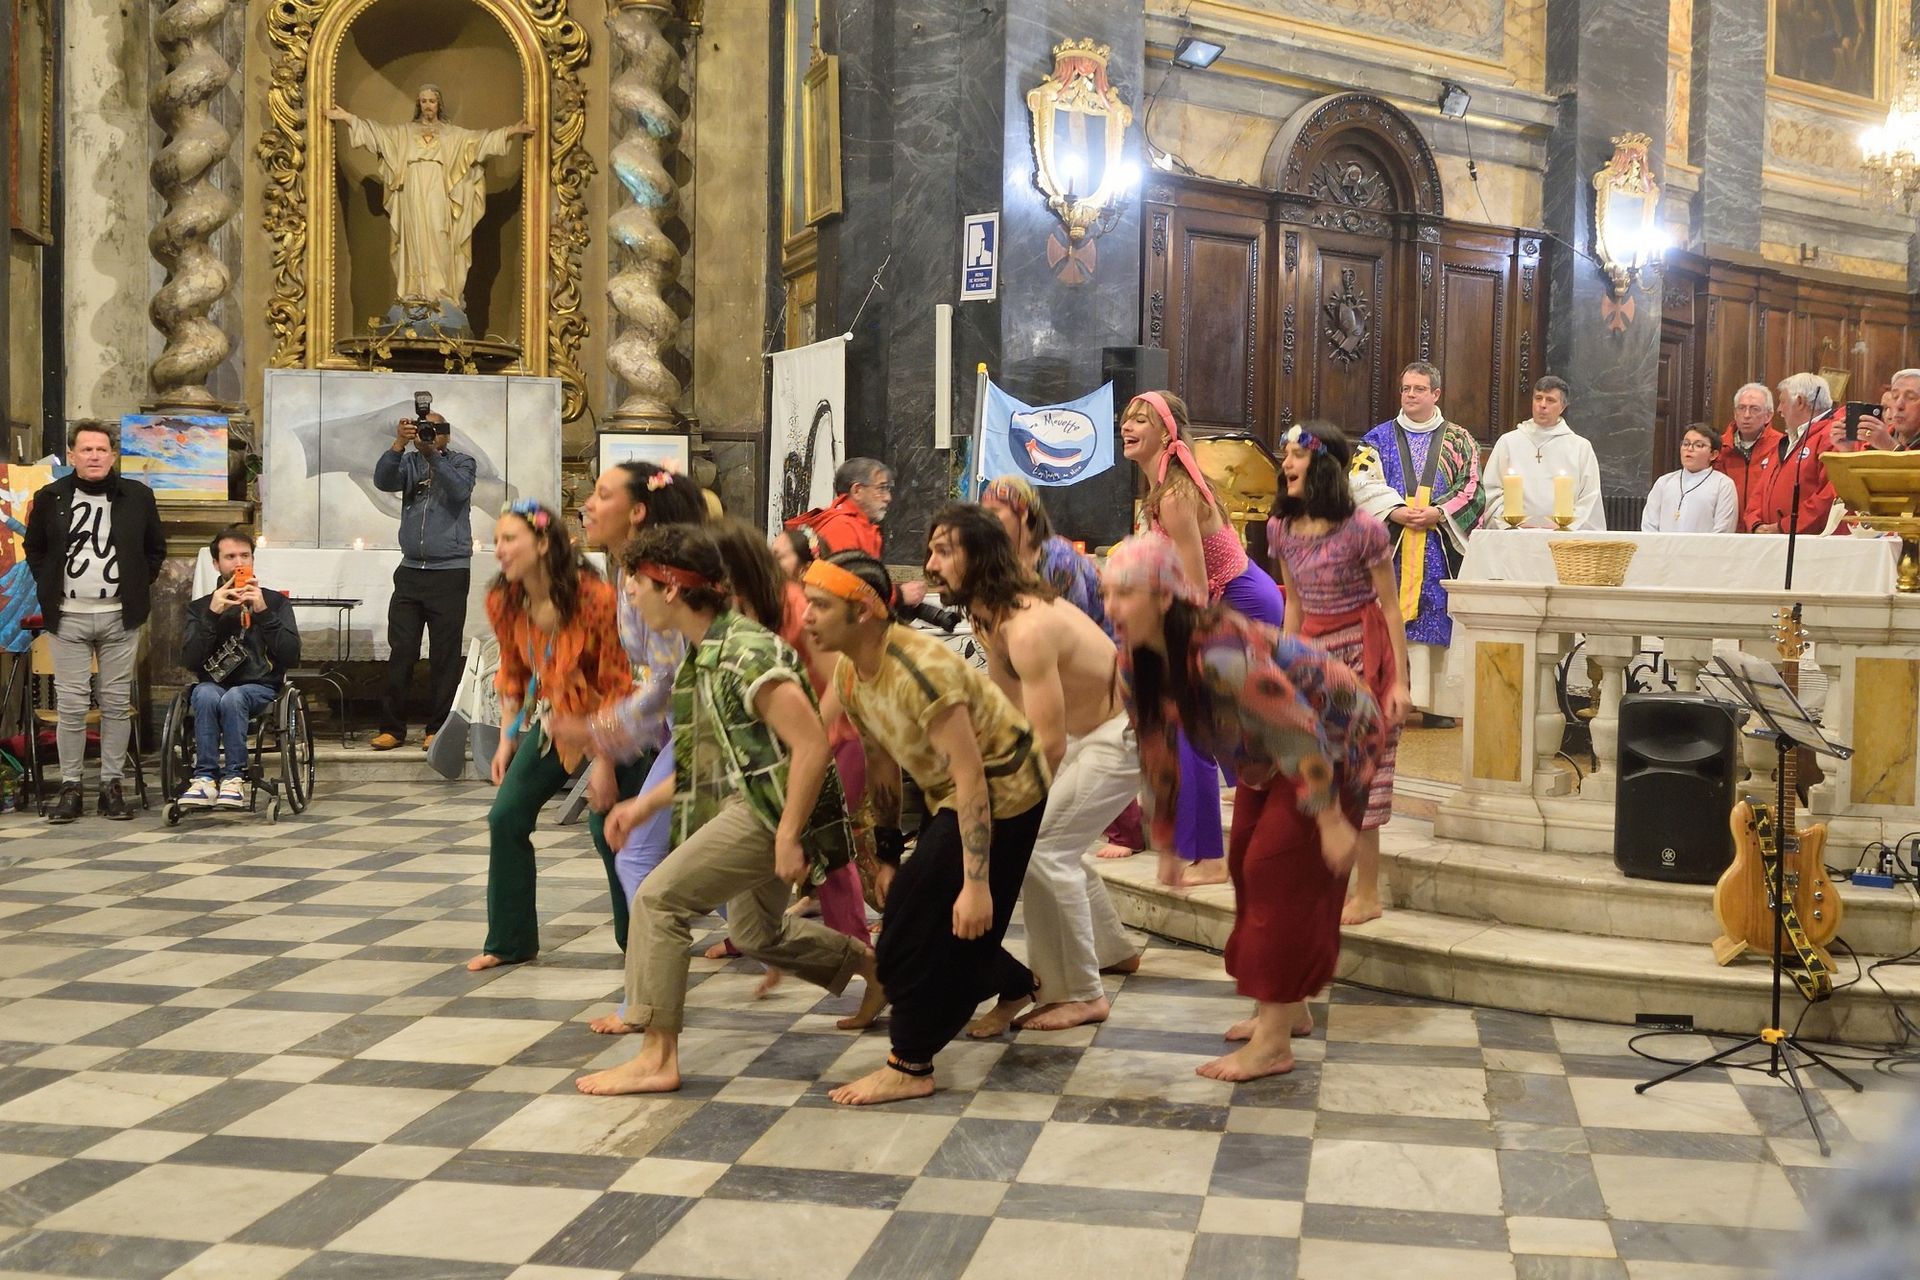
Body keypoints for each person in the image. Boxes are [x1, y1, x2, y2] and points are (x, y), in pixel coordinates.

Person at [575, 526, 879, 1096]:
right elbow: (708, 761)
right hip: (760, 803)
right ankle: (873, 968)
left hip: (772, 810)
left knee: (658, 899)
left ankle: (657, 1056)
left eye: (637, 582)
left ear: (671, 588)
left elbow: (812, 745)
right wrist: (642, 806)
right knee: (756, 933)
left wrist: (788, 835)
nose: (630, 594)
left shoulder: (743, 652)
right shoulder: (707, 653)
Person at [1102, 533, 1382, 1081]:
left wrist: (1328, 818)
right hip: (1273, 750)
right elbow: (1156, 747)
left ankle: (1273, 1044)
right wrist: (1165, 842)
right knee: (1246, 861)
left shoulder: (1220, 653)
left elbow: (1297, 730)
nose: (1111, 607)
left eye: (1125, 593)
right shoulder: (1135, 660)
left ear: (1165, 598)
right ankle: (1288, 1010)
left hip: (1336, 737)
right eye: (1107, 592)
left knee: (1275, 869)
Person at [803, 551, 1051, 1105]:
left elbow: (973, 778)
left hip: (1006, 792)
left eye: (819, 605)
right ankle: (1018, 985)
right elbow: (881, 764)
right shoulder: (851, 672)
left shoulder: (921, 671)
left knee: (920, 932)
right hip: (955, 795)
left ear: (863, 611)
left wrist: (977, 884)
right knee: (921, 918)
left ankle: (911, 1063)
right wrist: (888, 853)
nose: (806, 617)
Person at [922, 505, 1139, 1037]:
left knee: (1045, 847)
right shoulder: (991, 615)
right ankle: (1113, 950)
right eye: (931, 550)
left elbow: (1048, 741)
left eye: (944, 552)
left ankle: (1081, 993)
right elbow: (1006, 711)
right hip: (1091, 732)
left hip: (1123, 732)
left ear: (978, 558)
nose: (929, 566)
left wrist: (1011, 809)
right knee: (1056, 841)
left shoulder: (1026, 627)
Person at [1121, 390, 1284, 886]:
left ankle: (1210, 857)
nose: (1128, 426)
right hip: (1220, 600)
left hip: (1240, 601)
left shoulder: (1174, 496)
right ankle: (1252, 792)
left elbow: (1195, 586)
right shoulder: (1160, 490)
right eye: (1127, 418)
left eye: (1141, 420)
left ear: (1166, 432)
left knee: (1192, 724)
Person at [693, 519, 871, 968]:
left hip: (834, 741)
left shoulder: (796, 605)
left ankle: (859, 952)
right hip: (781, 751)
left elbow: (840, 680)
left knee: (828, 848)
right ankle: (751, 934)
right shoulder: (736, 613)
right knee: (759, 837)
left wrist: (810, 737)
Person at [545, 462, 705, 953]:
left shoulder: (655, 577)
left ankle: (653, 980)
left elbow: (670, 680)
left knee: (638, 856)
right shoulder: (627, 571)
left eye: (602, 494)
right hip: (682, 726)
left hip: (702, 726)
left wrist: (601, 731)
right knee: (717, 874)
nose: (586, 506)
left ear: (637, 512)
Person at [470, 499, 632, 972]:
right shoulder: (504, 599)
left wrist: (604, 764)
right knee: (506, 816)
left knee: (609, 826)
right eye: (497, 540)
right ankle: (511, 941)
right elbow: (513, 672)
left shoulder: (594, 597)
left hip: (612, 722)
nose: (499, 550)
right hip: (554, 722)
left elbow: (617, 684)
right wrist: (507, 737)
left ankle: (641, 942)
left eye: (510, 539)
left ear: (542, 544)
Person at [1268, 422, 1409, 929]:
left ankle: (1367, 894)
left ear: (1323, 464)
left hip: (1363, 658)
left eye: (1296, 455)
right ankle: (1320, 884)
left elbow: (1390, 608)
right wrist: (1284, 666)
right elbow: (1294, 604)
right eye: (1285, 454)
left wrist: (1400, 683)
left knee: (1365, 777)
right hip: (1313, 657)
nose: (1286, 463)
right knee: (1315, 772)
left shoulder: (1363, 529)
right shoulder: (1280, 528)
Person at [23, 421, 166, 824]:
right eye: (86, 449)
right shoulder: (50, 497)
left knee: (116, 704)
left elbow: (155, 549)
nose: (94, 456)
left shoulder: (138, 496)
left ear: (113, 455)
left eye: (102, 450)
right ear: (72, 455)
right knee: (71, 705)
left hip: (120, 615)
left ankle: (111, 786)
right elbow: (35, 548)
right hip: (68, 615)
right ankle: (71, 786)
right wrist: (49, 583)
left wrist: (136, 583)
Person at [1350, 361, 1484, 727]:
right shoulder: (1377, 438)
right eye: (1406, 389)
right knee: (1387, 615)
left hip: (1438, 545)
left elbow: (1472, 486)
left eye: (1419, 389)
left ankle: (1436, 704)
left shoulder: (1459, 440)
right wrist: (1393, 511)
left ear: (1436, 394)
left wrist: (1439, 513)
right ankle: (1388, 694)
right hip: (1391, 545)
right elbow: (1359, 482)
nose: (1410, 395)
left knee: (1436, 615)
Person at [327, 87, 534, 317]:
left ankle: (440, 295)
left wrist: (513, 131)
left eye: (432, 101)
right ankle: (413, 293)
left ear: (439, 104)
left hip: (438, 189)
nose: (427, 105)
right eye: (424, 101)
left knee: (439, 234)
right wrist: (347, 118)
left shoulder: (452, 134)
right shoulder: (404, 132)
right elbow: (376, 134)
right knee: (414, 238)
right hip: (412, 190)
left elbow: (480, 142)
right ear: (419, 104)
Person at [370, 409, 478, 751]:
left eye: (432, 428)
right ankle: (392, 728)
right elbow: (383, 481)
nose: (426, 433)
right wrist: (398, 445)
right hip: (410, 571)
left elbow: (459, 490)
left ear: (446, 432)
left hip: (450, 572)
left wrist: (432, 455)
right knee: (402, 650)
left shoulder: (462, 462)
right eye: (422, 428)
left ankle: (438, 729)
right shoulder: (409, 462)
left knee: (445, 654)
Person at [178, 527, 302, 809]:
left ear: (253, 561)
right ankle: (205, 779)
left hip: (260, 685)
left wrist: (263, 613)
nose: (238, 563)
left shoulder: (275, 602)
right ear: (216, 564)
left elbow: (292, 655)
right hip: (214, 684)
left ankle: (234, 777)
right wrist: (212, 615)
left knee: (235, 697)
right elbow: (190, 661)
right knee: (204, 694)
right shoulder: (201, 607)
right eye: (230, 557)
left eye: (245, 556)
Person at [979, 474, 1107, 632]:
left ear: (1023, 513)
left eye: (993, 512)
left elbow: (1077, 630)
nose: (985, 521)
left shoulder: (1061, 560)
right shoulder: (999, 561)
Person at [1483, 376, 1606, 530]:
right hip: (1515, 536)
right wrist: (1511, 524)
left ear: (1563, 407)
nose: (1542, 405)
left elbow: (1589, 497)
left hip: (1563, 538)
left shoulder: (1580, 447)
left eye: (1550, 400)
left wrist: (1565, 527)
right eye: (1538, 398)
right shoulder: (1508, 442)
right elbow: (1491, 491)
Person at [1746, 372, 1841, 535]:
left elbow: (1829, 495)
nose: (1779, 409)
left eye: (1783, 402)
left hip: (1809, 542)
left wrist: (1785, 526)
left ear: (1800, 401)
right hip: (1772, 540)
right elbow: (1760, 491)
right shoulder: (1786, 441)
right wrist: (1755, 523)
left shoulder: (1833, 437)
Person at [786, 457, 891, 559]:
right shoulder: (842, 529)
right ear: (857, 491)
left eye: (887, 489)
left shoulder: (857, 526)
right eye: (881, 488)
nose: (888, 498)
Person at [1712, 383, 1784, 530]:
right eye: (1741, 408)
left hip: (1763, 530)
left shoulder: (1782, 445)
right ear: (1735, 413)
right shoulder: (1719, 447)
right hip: (1726, 530)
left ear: (1768, 415)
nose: (1746, 415)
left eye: (1754, 409)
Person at [1644, 426, 1740, 533]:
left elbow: (1723, 530)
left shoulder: (1723, 485)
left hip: (1704, 544)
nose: (1689, 449)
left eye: (1698, 445)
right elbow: (1649, 524)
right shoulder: (1664, 482)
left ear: (1713, 454)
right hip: (1663, 544)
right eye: (1686, 444)